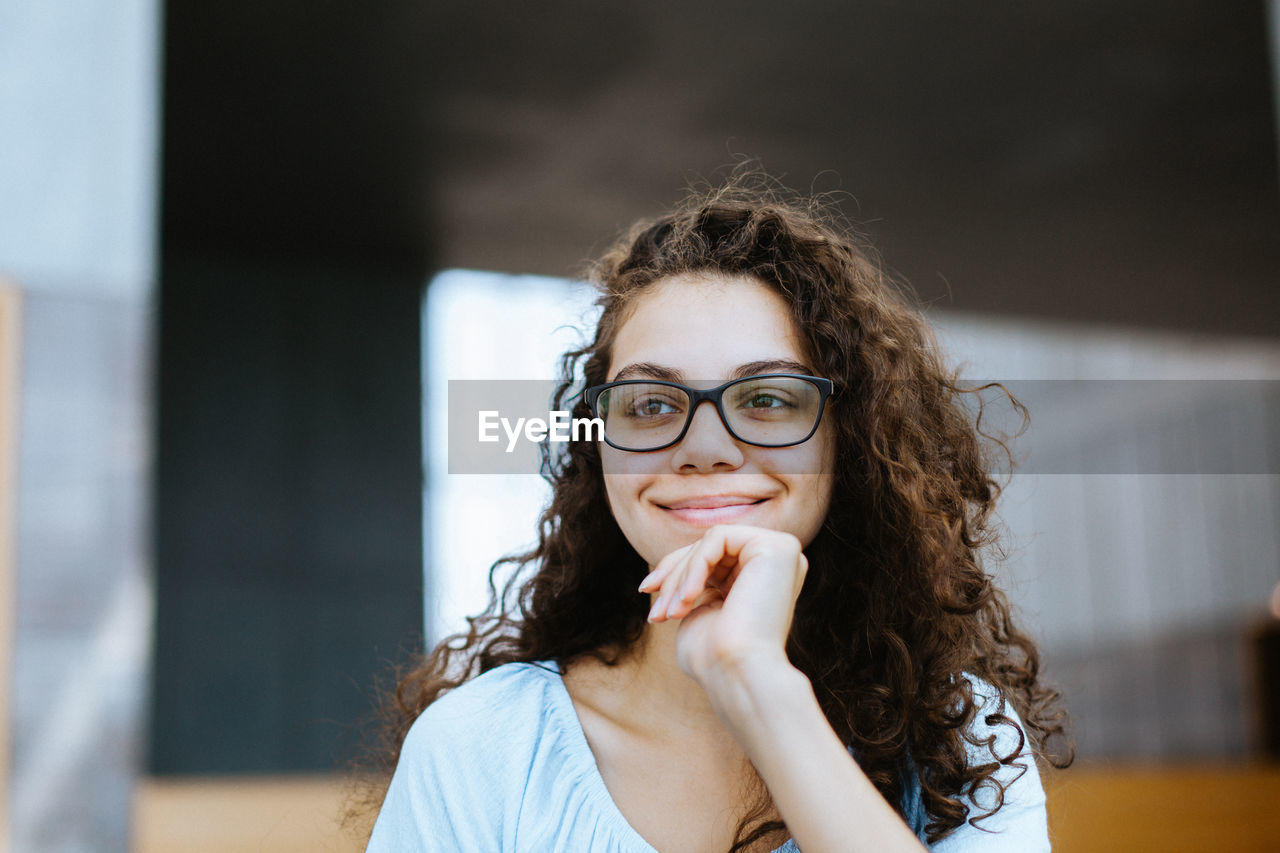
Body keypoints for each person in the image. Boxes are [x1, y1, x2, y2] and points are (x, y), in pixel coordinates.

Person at [361, 172, 1071, 852]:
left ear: (847, 437)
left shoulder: (958, 736)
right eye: (650, 404)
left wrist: (754, 678)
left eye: (766, 398)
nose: (703, 447)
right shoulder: (478, 747)